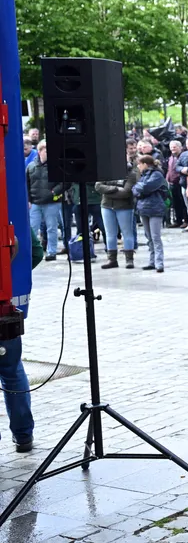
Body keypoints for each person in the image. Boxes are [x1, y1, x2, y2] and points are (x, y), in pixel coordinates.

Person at [2, 228, 44, 453]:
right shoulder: (9, 206)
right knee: (12, 371)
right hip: (3, 307)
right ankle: (23, 436)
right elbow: (35, 252)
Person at [94, 157, 140, 269]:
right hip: (106, 206)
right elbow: (98, 186)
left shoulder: (131, 174)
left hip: (124, 207)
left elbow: (126, 192)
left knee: (127, 233)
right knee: (110, 234)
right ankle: (112, 259)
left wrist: (107, 191)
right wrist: (115, 189)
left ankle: (129, 259)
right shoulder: (106, 172)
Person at [26, 141, 65, 261]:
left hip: (51, 203)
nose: (48, 153)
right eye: (46, 150)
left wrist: (54, 192)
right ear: (39, 151)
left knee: (52, 228)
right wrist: (28, 200)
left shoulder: (56, 166)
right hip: (35, 203)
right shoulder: (31, 166)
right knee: (32, 228)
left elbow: (65, 182)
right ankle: (31, 251)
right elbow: (26, 184)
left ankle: (51, 252)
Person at [132, 154, 168, 273]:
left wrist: (139, 188)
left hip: (155, 209)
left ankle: (159, 263)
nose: (138, 166)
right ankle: (152, 261)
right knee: (149, 237)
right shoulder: (144, 175)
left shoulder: (157, 174)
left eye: (139, 164)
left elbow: (145, 188)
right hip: (143, 208)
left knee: (155, 237)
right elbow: (135, 189)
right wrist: (139, 188)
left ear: (145, 164)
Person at [165, 140, 187, 228]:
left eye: (174, 147)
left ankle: (186, 220)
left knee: (183, 203)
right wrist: (167, 179)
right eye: (171, 147)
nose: (173, 148)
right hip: (172, 183)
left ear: (180, 147)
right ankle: (178, 220)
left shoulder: (183, 156)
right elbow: (169, 170)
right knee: (176, 203)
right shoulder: (171, 157)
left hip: (180, 182)